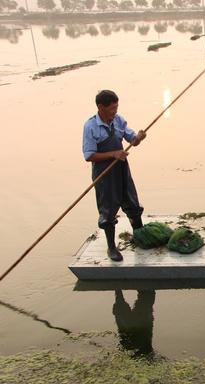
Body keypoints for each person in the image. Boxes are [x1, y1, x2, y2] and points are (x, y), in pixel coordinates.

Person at [82, 90, 146, 261]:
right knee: (108, 209)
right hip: (104, 172)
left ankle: (140, 238)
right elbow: (89, 155)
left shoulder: (118, 120)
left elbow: (131, 139)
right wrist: (113, 154)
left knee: (131, 201)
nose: (115, 111)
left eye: (117, 107)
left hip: (121, 169)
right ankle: (111, 248)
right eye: (112, 108)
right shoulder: (91, 127)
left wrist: (138, 138)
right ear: (100, 107)